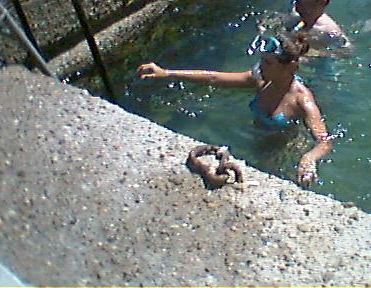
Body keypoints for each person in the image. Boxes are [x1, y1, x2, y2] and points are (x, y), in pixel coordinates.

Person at [137, 32, 333, 186]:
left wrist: (309, 158)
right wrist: (167, 73)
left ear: (289, 67)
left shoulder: (302, 100)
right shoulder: (261, 80)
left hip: (281, 150)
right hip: (254, 139)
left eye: (267, 62)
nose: (260, 66)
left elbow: (324, 142)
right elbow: (214, 78)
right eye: (262, 60)